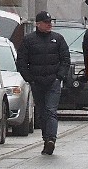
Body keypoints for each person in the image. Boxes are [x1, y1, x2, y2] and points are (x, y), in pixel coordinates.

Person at [17, 11, 70, 155]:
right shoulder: (29, 40)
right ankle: (46, 138)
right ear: (38, 24)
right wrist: (30, 78)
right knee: (41, 112)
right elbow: (21, 61)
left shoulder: (58, 39)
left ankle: (51, 139)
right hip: (37, 82)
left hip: (53, 81)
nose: (49, 25)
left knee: (51, 111)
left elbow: (65, 59)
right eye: (46, 22)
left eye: (50, 22)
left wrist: (60, 76)